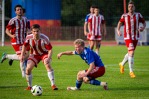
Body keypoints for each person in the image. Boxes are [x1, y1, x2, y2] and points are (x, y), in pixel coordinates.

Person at [20, 24, 58, 90]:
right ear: (31, 31)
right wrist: (21, 55)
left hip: (44, 53)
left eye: (37, 31)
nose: (36, 33)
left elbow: (50, 49)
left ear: (40, 31)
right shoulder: (28, 37)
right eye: (34, 31)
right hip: (34, 54)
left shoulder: (45, 38)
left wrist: (48, 58)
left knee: (47, 65)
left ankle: (53, 85)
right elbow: (24, 46)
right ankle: (29, 86)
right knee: (28, 69)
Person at [117, 1, 146, 78]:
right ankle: (131, 71)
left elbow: (144, 22)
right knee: (132, 52)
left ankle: (122, 64)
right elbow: (119, 23)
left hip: (136, 36)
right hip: (127, 36)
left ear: (134, 7)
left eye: (132, 6)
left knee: (130, 52)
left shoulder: (138, 15)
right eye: (129, 7)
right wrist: (118, 30)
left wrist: (143, 27)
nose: (130, 8)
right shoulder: (124, 16)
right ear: (127, 8)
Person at [0, 5, 30, 77]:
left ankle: (8, 56)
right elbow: (6, 30)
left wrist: (29, 33)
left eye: (20, 9)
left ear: (22, 11)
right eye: (18, 10)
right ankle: (24, 74)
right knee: (22, 57)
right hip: (15, 41)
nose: (19, 11)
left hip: (23, 40)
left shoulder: (25, 19)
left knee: (27, 55)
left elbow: (27, 29)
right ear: (15, 12)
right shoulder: (13, 20)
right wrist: (11, 35)